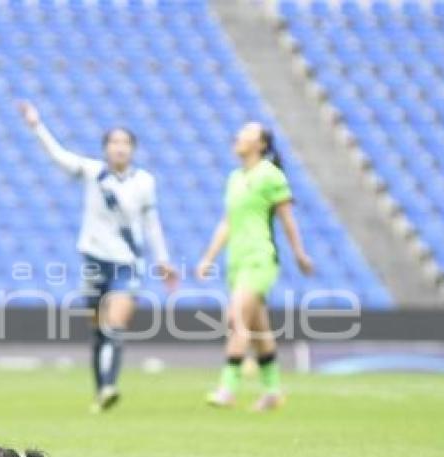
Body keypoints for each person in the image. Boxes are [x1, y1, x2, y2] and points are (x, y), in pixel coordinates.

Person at [19, 101, 177, 412]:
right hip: (94, 261)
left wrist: (163, 259)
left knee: (114, 324)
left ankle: (109, 386)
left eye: (125, 143)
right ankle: (100, 389)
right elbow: (59, 156)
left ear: (133, 149)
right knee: (96, 329)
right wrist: (37, 126)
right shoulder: (93, 173)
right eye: (114, 142)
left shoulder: (144, 182)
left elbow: (151, 222)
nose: (120, 148)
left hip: (127, 263)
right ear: (105, 148)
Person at [196, 122, 314, 411]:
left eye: (247, 133)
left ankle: (228, 388)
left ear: (261, 144)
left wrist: (299, 254)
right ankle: (273, 392)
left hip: (260, 258)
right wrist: (209, 257)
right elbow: (228, 222)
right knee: (258, 328)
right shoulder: (235, 178)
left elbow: (286, 218)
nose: (238, 136)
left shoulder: (271, 176)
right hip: (236, 261)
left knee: (236, 319)